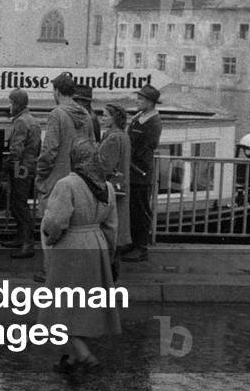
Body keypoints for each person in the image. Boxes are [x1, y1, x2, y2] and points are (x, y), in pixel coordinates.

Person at [37, 139, 120, 373]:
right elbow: (112, 226)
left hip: (71, 245)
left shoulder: (67, 184)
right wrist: (109, 253)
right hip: (97, 244)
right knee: (84, 306)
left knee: (61, 304)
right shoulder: (107, 187)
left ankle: (84, 355)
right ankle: (71, 358)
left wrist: (50, 240)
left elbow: (55, 221)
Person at [34, 73, 93, 282]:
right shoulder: (85, 114)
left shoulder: (57, 114)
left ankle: (51, 271)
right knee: (71, 228)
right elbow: (90, 147)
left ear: (57, 92)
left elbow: (49, 149)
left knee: (50, 227)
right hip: (80, 179)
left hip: (56, 180)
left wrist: (40, 174)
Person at [122, 85, 163, 263]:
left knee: (141, 210)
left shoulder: (154, 122)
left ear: (149, 102)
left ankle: (141, 247)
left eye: (140, 99)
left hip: (141, 172)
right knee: (133, 208)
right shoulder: (139, 116)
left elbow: (147, 147)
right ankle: (133, 243)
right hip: (132, 170)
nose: (137, 101)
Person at [3, 88, 42, 259]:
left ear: (17, 104)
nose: (9, 106)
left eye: (11, 102)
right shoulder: (32, 120)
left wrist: (7, 166)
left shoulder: (20, 122)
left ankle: (27, 243)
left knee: (19, 203)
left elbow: (16, 149)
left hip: (20, 167)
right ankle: (21, 238)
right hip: (30, 165)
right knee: (20, 202)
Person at [99, 103, 131, 280]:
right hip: (122, 188)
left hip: (111, 191)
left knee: (110, 231)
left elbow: (105, 166)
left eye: (105, 115)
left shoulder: (112, 138)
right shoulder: (123, 136)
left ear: (114, 118)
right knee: (116, 232)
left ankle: (109, 275)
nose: (102, 118)